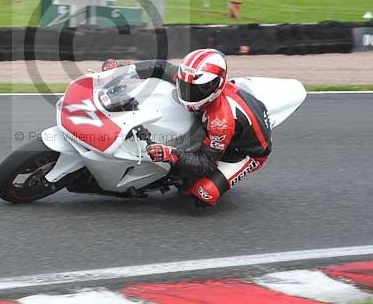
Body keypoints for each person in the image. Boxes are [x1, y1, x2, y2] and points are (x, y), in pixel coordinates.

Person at [101, 49, 272, 206]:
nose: (187, 91)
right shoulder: (190, 79)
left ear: (213, 87)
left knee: (202, 193)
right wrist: (123, 70)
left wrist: (170, 154)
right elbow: (160, 67)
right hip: (219, 127)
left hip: (246, 152)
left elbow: (205, 163)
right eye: (184, 85)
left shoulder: (220, 122)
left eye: (194, 89)